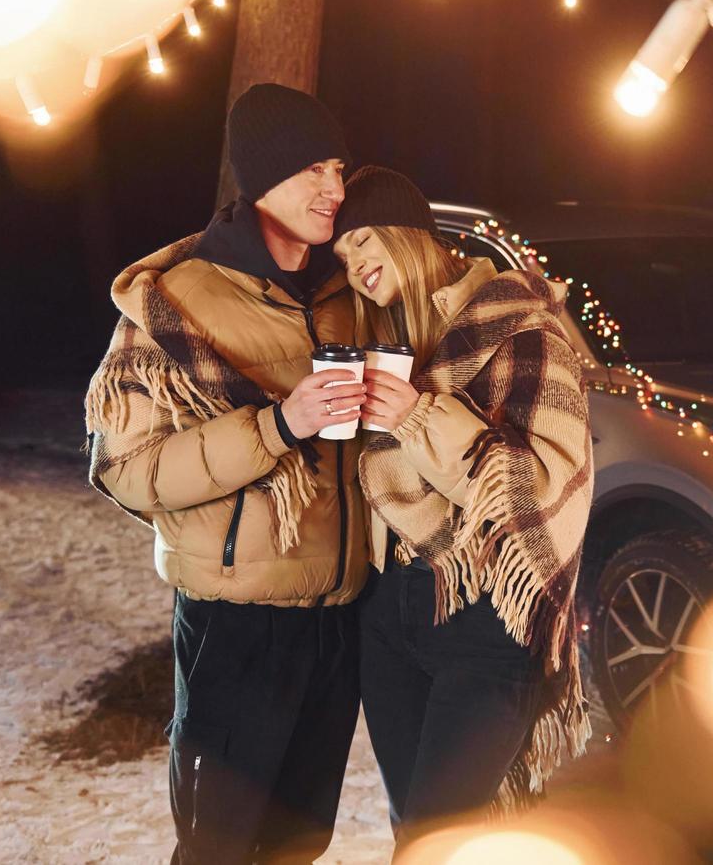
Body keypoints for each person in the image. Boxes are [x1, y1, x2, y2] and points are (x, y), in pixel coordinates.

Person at [84, 84, 370, 864]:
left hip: (338, 615)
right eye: (313, 167)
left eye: (339, 167)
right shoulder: (175, 302)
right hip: (237, 621)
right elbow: (126, 471)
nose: (335, 190)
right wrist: (278, 425)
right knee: (218, 849)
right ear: (264, 175)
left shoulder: (347, 295)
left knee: (298, 847)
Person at [330, 166, 593, 845]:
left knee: (434, 836)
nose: (353, 263)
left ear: (408, 234)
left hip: (485, 615)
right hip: (388, 613)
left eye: (362, 241)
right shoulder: (390, 345)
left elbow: (532, 491)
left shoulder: (524, 334)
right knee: (414, 827)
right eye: (341, 253)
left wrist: (420, 416)